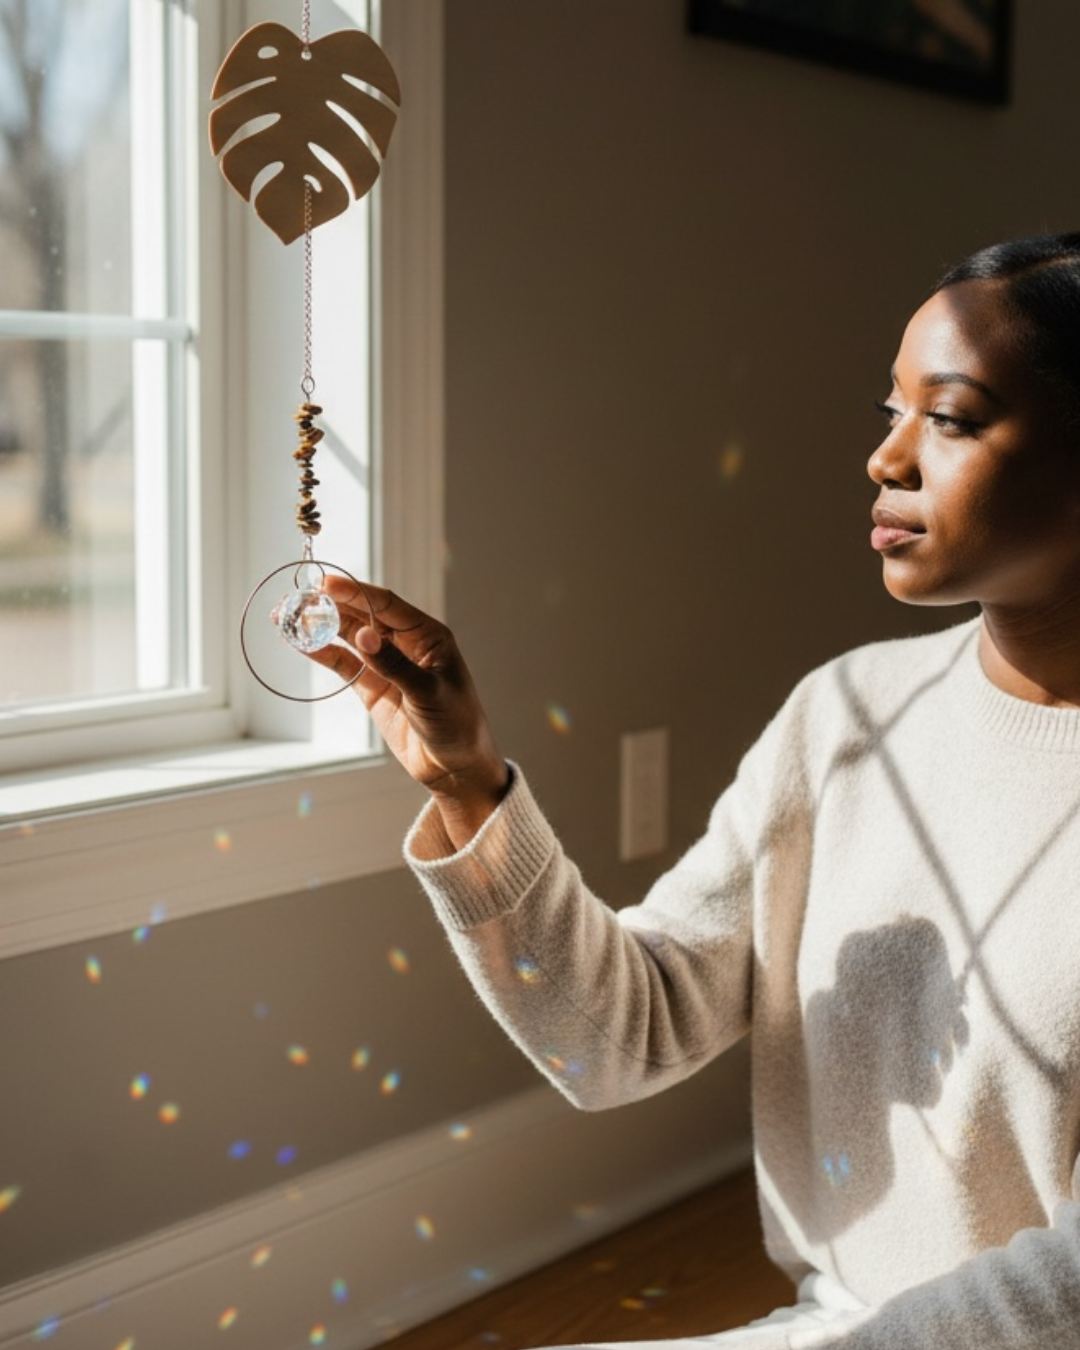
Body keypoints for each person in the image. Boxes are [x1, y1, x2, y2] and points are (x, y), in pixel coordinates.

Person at [311, 232, 1080, 1348]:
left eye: (951, 419)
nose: (886, 458)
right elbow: (617, 1039)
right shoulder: (846, 716)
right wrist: (473, 789)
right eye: (890, 410)